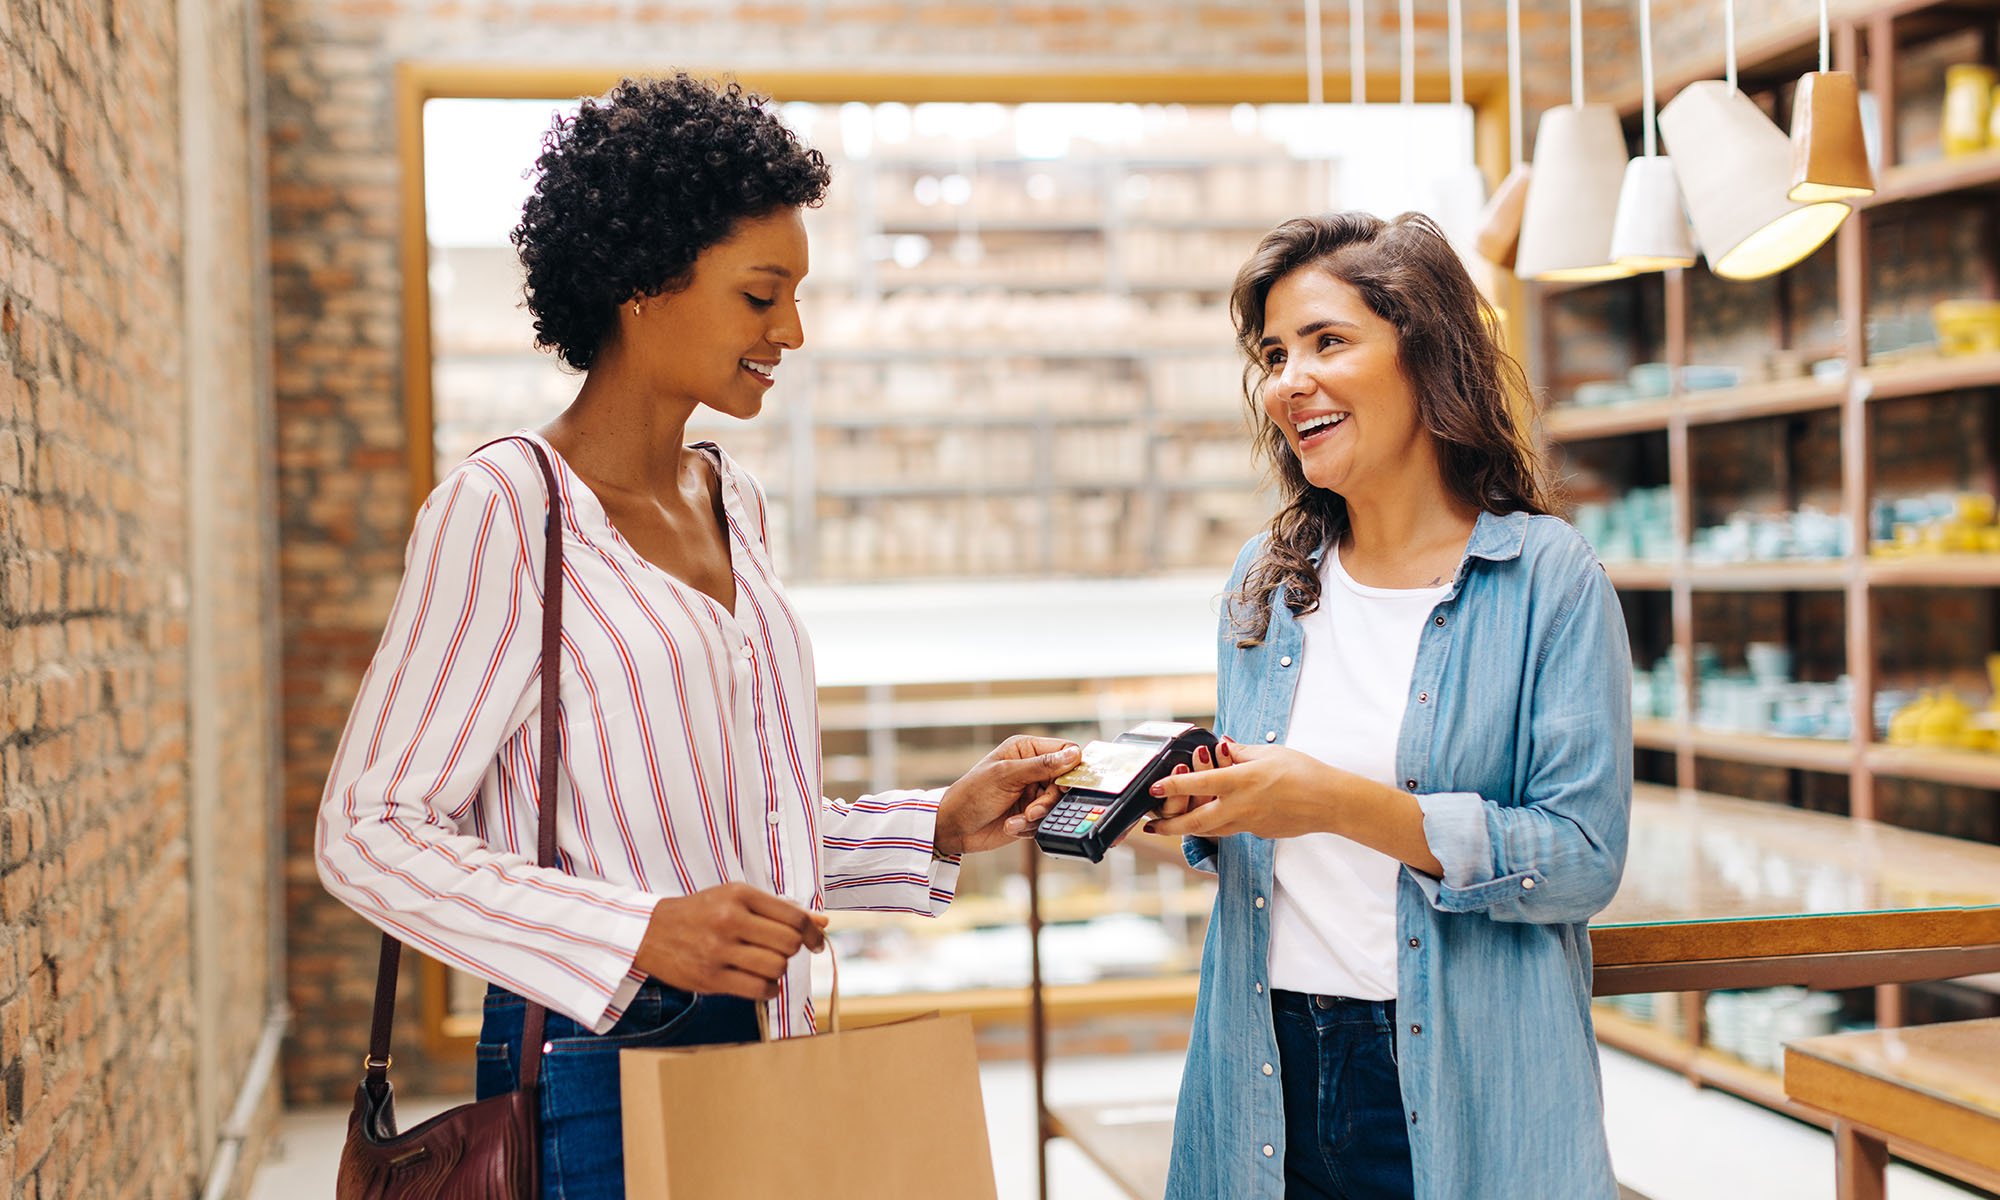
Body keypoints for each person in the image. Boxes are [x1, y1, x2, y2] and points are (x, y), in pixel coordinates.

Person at [316, 74, 1080, 1199]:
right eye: (760, 295)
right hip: (597, 1063)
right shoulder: (507, 512)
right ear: (641, 283)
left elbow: (735, 831)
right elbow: (366, 830)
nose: (792, 331)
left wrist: (939, 826)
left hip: (768, 1031)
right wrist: (636, 933)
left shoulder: (734, 501)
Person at [1149, 212, 1631, 1199]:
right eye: (1274, 354)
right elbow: (1260, 831)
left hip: (1452, 1067)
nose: (1290, 380)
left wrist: (1332, 802)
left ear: (1428, 358)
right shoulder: (1267, 582)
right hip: (1263, 1055)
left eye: (1328, 342)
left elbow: (1580, 860)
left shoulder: (1546, 578)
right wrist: (1177, 808)